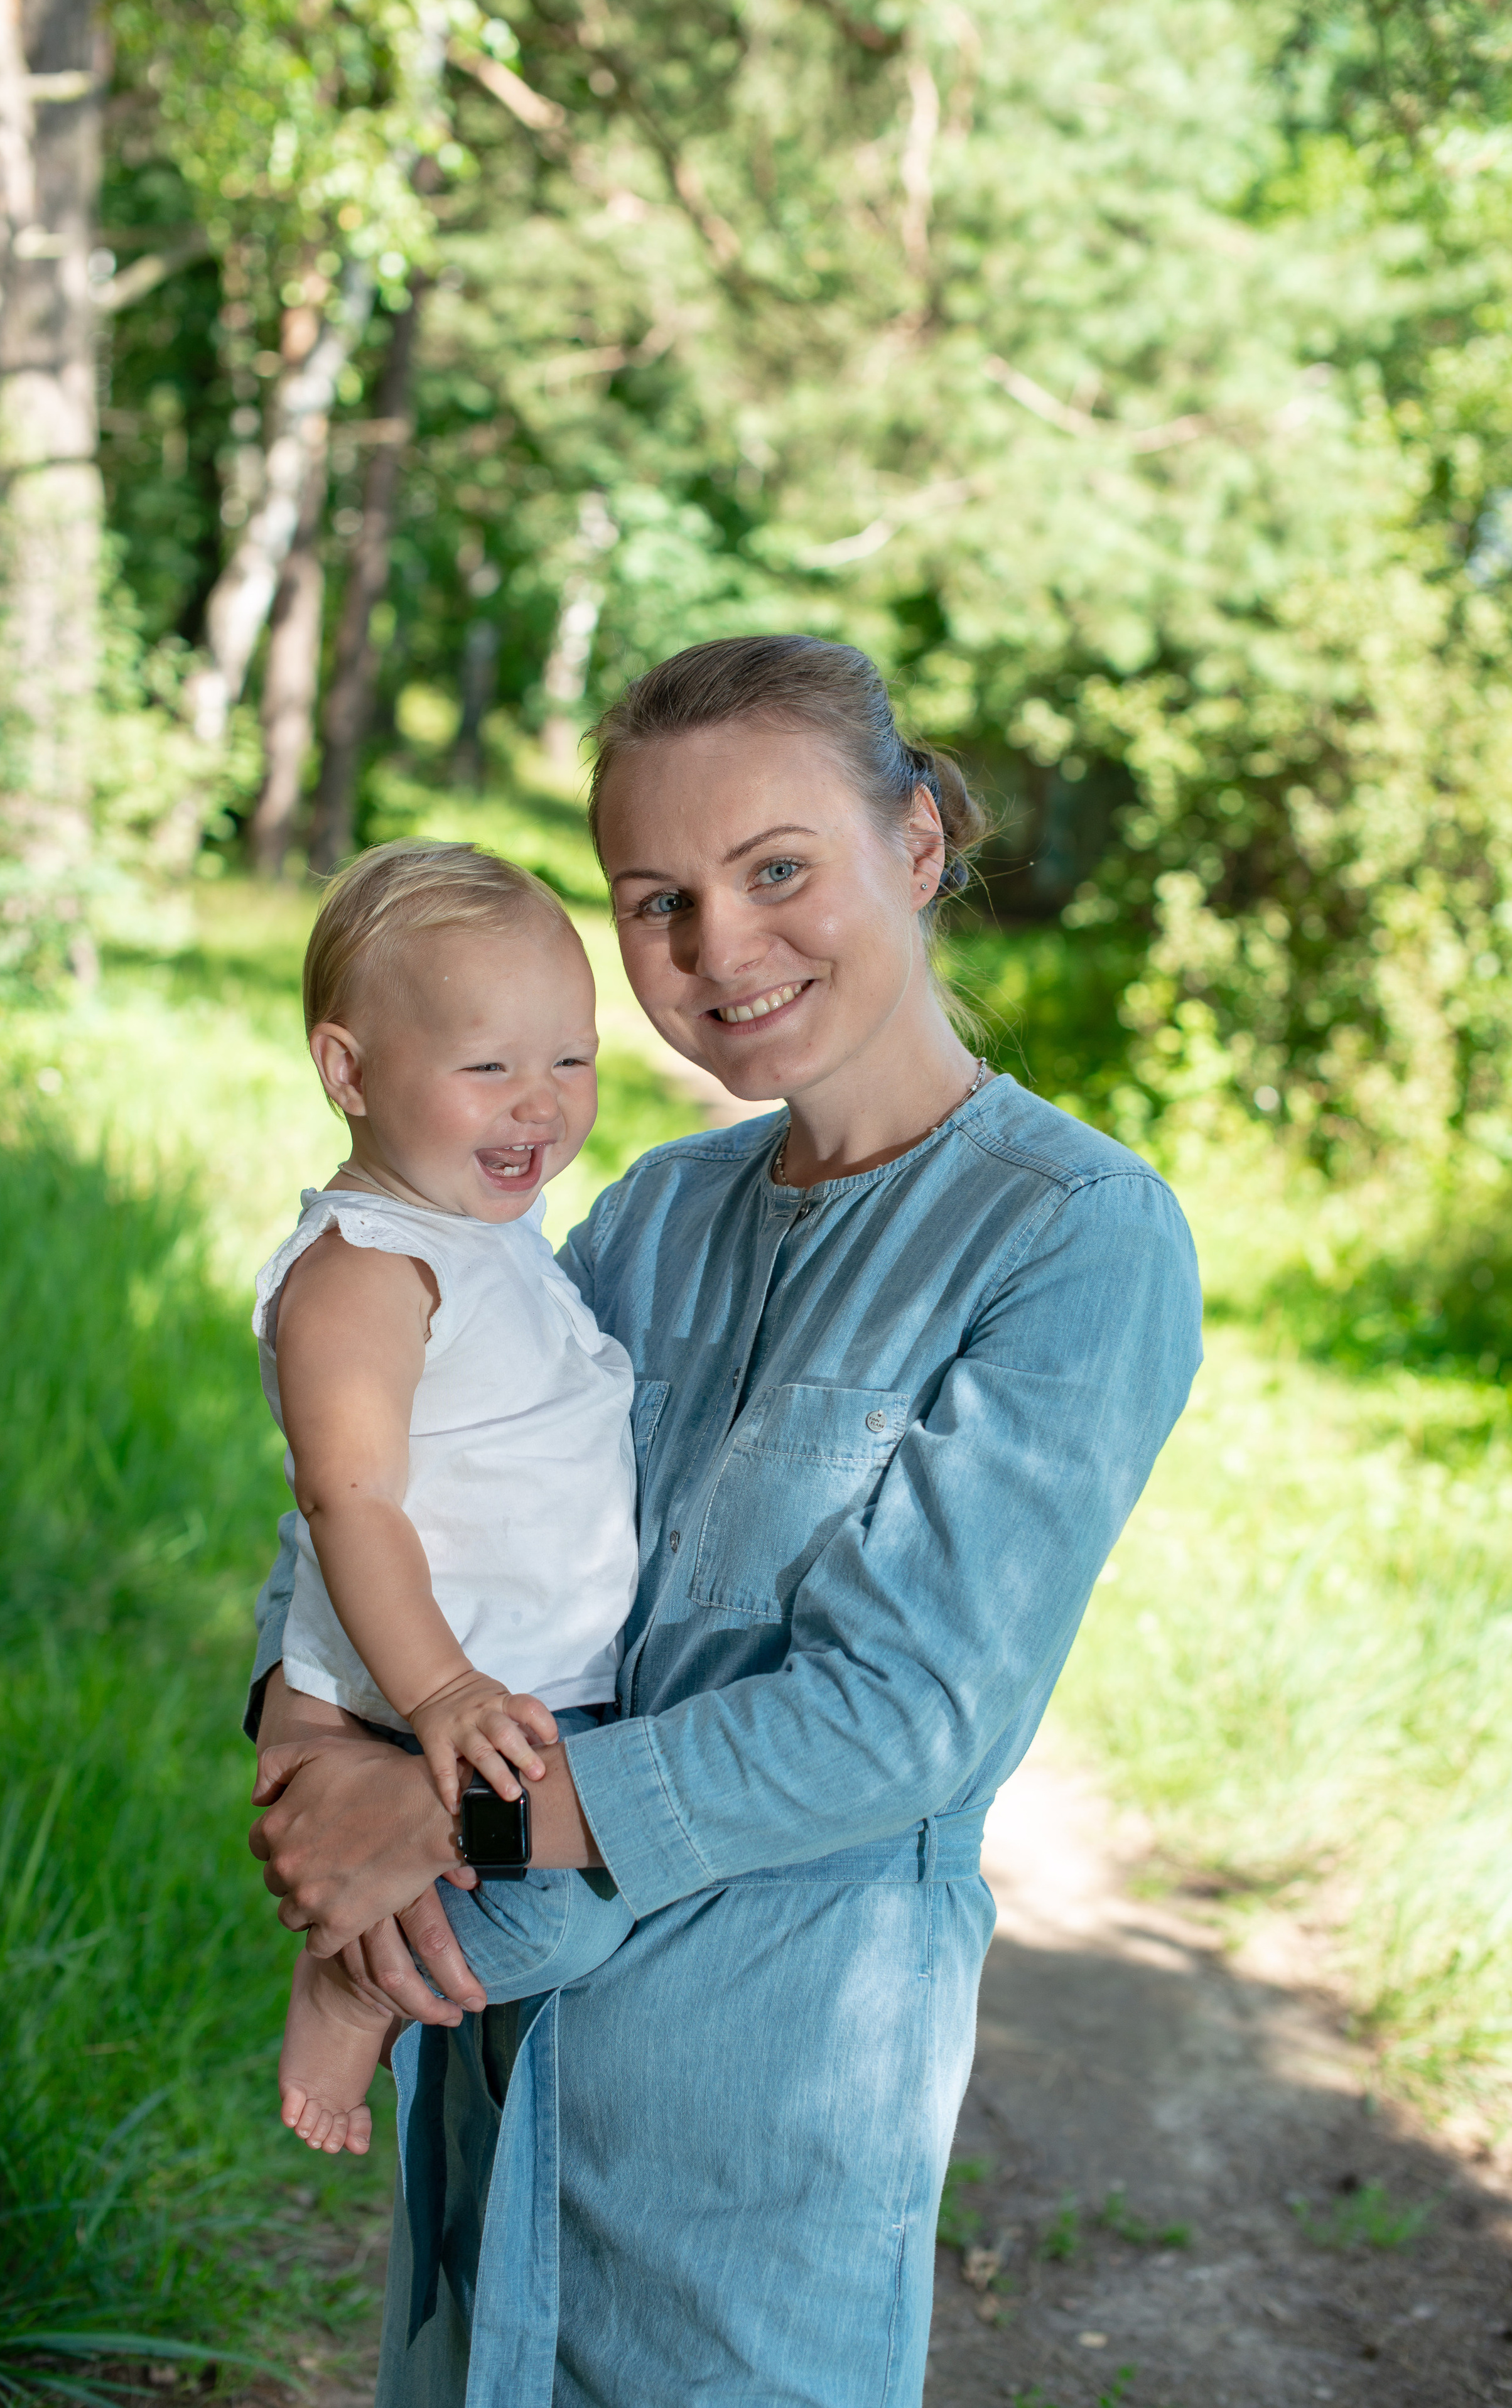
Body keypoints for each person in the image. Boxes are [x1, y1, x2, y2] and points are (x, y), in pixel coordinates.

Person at [247, 634, 1203, 2407]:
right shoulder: (648, 1209)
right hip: (502, 2062)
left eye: (779, 869)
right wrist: (307, 1740)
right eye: (657, 899)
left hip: (760, 2102)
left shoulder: (1073, 1233)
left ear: (915, 843)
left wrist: (454, 1806)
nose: (719, 950)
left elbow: (911, 1715)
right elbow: (407, 1467)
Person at [254, 843, 638, 2156]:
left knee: (571, 1901)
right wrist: (435, 1696)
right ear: (349, 1071)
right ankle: (351, 1971)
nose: (539, 1105)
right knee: (551, 1916)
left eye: (571, 1060)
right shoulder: (367, 1268)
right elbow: (347, 1504)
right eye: (488, 1068)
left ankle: (372, 1936)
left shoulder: (483, 1237)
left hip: (499, 1676)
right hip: (419, 1684)